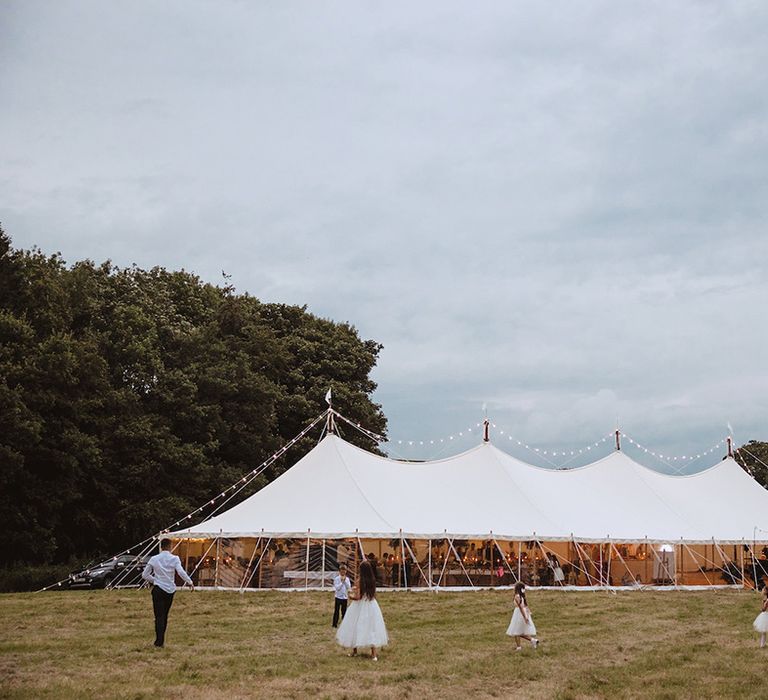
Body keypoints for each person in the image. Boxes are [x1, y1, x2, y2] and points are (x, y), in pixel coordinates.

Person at [141, 539, 193, 648]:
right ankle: (161, 640)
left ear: (161, 547)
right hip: (170, 590)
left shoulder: (154, 559)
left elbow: (145, 575)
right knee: (165, 615)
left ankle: (159, 641)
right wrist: (189, 581)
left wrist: (155, 580)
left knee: (158, 616)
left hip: (158, 589)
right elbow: (181, 572)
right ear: (170, 546)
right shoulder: (174, 559)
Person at [336, 559, 388, 661]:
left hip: (359, 605)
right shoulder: (372, 580)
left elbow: (358, 597)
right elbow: (372, 594)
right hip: (371, 604)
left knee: (354, 626)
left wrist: (350, 596)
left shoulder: (359, 580)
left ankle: (354, 651)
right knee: (371, 628)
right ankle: (373, 654)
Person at [506, 582, 539, 651]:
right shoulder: (522, 596)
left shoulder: (517, 596)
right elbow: (525, 606)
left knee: (516, 631)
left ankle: (519, 647)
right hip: (522, 612)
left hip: (519, 613)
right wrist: (528, 613)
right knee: (519, 631)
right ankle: (533, 640)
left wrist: (525, 617)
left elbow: (520, 607)